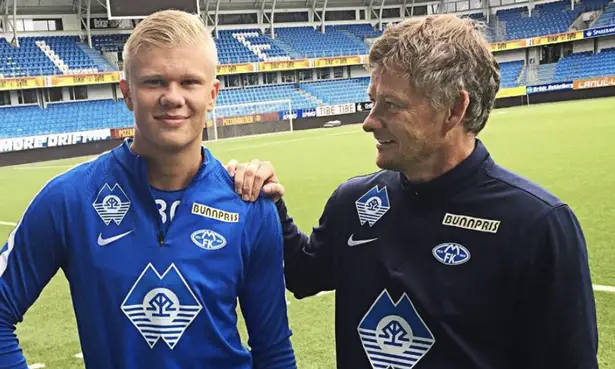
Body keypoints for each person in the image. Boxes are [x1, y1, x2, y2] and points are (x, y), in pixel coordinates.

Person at [227, 14, 599, 369]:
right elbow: (304, 275)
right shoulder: (354, 202)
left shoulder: (537, 224)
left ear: (453, 109)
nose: (370, 121)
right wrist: (271, 203)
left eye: (391, 105)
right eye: (373, 100)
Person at [0, 9, 296, 369]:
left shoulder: (250, 205)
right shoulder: (69, 198)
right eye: (154, 82)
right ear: (127, 93)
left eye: (189, 82)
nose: (172, 97)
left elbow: (274, 351)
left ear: (213, 94)